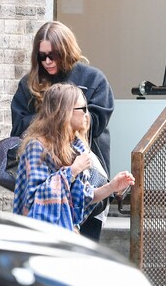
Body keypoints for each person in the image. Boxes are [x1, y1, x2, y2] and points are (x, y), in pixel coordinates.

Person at [10, 21, 114, 240]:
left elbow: (94, 122)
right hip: (45, 179)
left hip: (86, 175)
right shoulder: (29, 84)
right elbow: (19, 127)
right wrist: (55, 117)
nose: (47, 61)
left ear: (66, 51)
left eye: (53, 55)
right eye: (42, 56)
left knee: (85, 250)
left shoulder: (93, 80)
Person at [13, 83, 135, 235]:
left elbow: (83, 198)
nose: (87, 114)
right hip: (39, 237)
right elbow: (35, 198)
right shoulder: (37, 147)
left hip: (67, 234)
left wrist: (112, 186)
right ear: (64, 112)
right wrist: (72, 171)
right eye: (82, 109)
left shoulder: (77, 147)